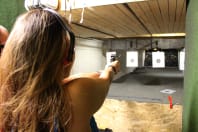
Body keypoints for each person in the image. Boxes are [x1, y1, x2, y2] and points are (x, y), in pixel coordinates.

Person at [0, 8, 120, 132]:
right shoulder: (76, 94)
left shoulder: (7, 98)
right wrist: (111, 67)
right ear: (67, 57)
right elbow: (106, 79)